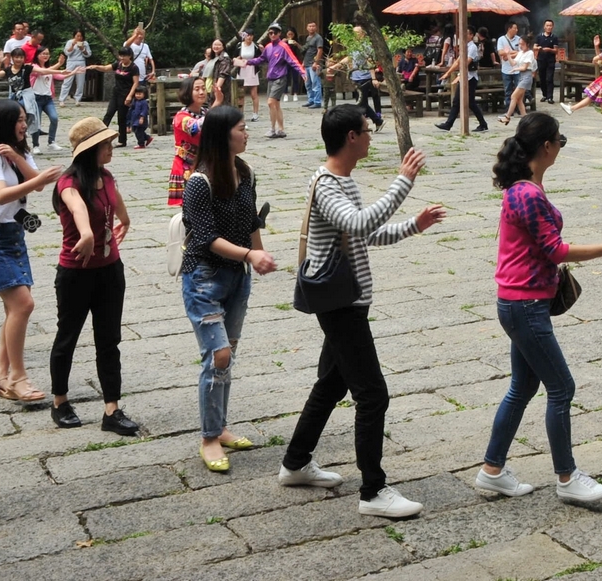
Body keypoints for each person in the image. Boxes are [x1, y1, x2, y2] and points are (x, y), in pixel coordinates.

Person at [280, 103, 445, 515]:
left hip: (347, 299)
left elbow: (364, 232)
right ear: (351, 137)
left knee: (331, 385)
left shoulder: (344, 182)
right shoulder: (327, 184)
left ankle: (295, 462)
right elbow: (357, 224)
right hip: (340, 304)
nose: (372, 136)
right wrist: (403, 181)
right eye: (367, 130)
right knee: (372, 395)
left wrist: (414, 225)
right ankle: (373, 492)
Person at [476, 112, 602, 507]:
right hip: (526, 306)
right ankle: (567, 478)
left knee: (523, 386)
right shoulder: (528, 193)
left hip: (519, 302)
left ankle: (492, 470)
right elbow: (556, 250)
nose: (560, 148)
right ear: (547, 147)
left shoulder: (526, 186)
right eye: (559, 142)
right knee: (561, 387)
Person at [180, 105, 275, 474]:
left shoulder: (244, 172)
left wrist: (259, 251)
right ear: (223, 136)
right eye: (241, 128)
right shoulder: (198, 183)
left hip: (237, 277)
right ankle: (208, 438)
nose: (247, 133)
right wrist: (251, 254)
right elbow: (205, 239)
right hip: (203, 278)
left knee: (228, 354)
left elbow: (251, 219)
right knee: (217, 355)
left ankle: (220, 427)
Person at [49, 117, 141, 435]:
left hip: (110, 272)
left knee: (109, 340)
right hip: (75, 274)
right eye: (106, 144)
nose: (111, 148)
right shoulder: (69, 183)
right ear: (91, 150)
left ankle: (111, 410)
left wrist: (125, 220)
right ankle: (60, 402)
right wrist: (86, 234)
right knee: (67, 338)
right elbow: (77, 208)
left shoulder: (107, 177)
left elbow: (116, 204)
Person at [0, 98, 60, 405]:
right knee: (23, 305)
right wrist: (38, 177)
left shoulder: (17, 152)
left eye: (25, 119)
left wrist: (19, 160)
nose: (25, 124)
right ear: (4, 123)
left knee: (15, 309)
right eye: (20, 120)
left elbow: (36, 184)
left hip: (12, 234)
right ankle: (18, 377)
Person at [435, 27, 492, 133]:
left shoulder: (472, 47)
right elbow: (457, 62)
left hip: (470, 78)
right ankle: (449, 124)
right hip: (464, 76)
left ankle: (483, 124)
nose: (464, 36)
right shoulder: (465, 47)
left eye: (466, 34)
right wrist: (448, 73)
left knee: (470, 102)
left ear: (471, 35)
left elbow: (466, 62)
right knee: (457, 101)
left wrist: (456, 70)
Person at [168, 74, 210, 207]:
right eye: (197, 89)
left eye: (203, 88)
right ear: (187, 92)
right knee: (192, 207)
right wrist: (216, 109)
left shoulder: (205, 112)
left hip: (205, 162)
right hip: (187, 166)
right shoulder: (181, 117)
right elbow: (194, 128)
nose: (202, 92)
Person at [259, 24, 307, 140]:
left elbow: (293, 60)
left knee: (271, 102)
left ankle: (272, 129)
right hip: (271, 78)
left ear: (280, 33)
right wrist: (246, 62)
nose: (273, 35)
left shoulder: (284, 46)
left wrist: (302, 72)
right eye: (271, 33)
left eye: (275, 32)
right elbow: (261, 59)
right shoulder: (268, 47)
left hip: (280, 78)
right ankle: (281, 129)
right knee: (276, 104)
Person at [565, 36, 602, 133]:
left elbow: (597, 59)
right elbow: (601, 59)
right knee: (593, 96)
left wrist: (594, 59)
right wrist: (596, 47)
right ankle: (572, 109)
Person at [22, 47, 68, 150]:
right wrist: (59, 65)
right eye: (43, 53)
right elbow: (43, 72)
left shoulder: (49, 68)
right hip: (36, 99)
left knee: (54, 118)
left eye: (47, 54)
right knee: (36, 123)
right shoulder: (33, 66)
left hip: (48, 99)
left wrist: (74, 72)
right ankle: (35, 145)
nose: (45, 56)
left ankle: (51, 142)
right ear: (37, 55)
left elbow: (59, 76)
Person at [533, 19, 561, 104]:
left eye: (550, 26)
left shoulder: (554, 37)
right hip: (541, 60)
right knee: (542, 78)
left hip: (550, 60)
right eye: (547, 25)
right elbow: (534, 47)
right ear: (544, 27)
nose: (549, 27)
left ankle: (550, 97)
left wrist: (549, 49)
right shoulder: (539, 37)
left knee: (549, 78)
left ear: (552, 27)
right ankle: (544, 95)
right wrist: (539, 48)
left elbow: (556, 50)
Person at [299, 24, 326, 109]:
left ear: (316, 27)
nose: (311, 28)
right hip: (307, 63)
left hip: (313, 64)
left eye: (313, 26)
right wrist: (303, 62)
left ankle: (317, 102)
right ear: (307, 28)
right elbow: (308, 51)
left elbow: (320, 50)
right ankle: (311, 100)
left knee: (315, 83)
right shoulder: (308, 38)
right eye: (310, 26)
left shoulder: (318, 38)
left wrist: (316, 62)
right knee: (308, 84)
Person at [63, 31, 92, 102]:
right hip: (71, 62)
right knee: (67, 80)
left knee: (80, 82)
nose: (79, 38)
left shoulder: (85, 43)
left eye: (80, 36)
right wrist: (72, 46)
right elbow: (67, 53)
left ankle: (78, 99)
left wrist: (82, 48)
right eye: (77, 36)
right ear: (74, 36)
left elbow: (88, 54)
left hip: (81, 62)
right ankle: (62, 99)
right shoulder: (70, 42)